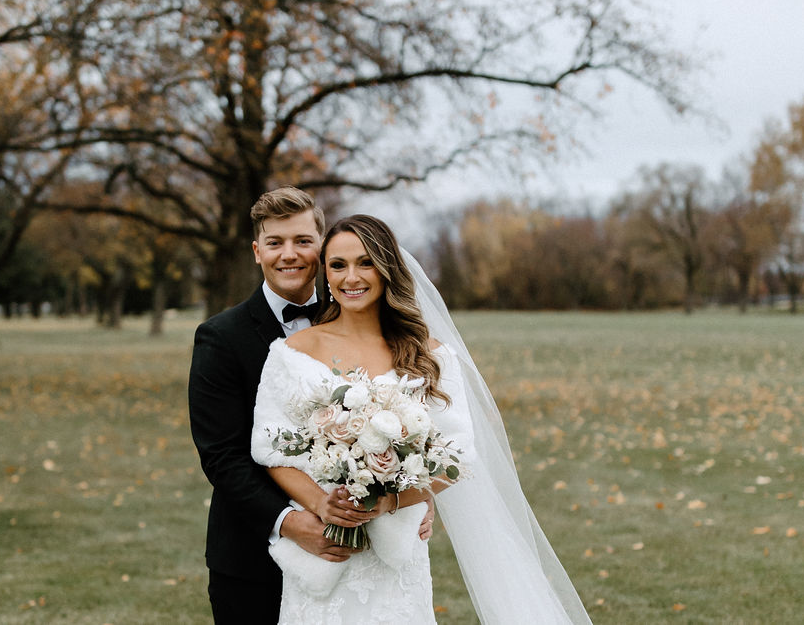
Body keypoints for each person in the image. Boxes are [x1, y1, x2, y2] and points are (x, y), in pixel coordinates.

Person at [251, 214, 593, 624]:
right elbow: (271, 449)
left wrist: (389, 500)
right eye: (338, 265)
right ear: (324, 273)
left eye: (366, 263)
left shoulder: (429, 355)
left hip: (399, 555)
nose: (351, 277)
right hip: (324, 547)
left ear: (387, 268)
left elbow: (457, 456)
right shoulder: (292, 352)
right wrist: (324, 504)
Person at [190, 188, 385, 623]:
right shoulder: (220, 338)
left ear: (321, 247)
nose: (289, 254)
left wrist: (412, 501)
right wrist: (293, 524)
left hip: (351, 560)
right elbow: (222, 457)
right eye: (275, 243)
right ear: (257, 252)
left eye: (302, 241)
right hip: (251, 560)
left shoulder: (358, 325)